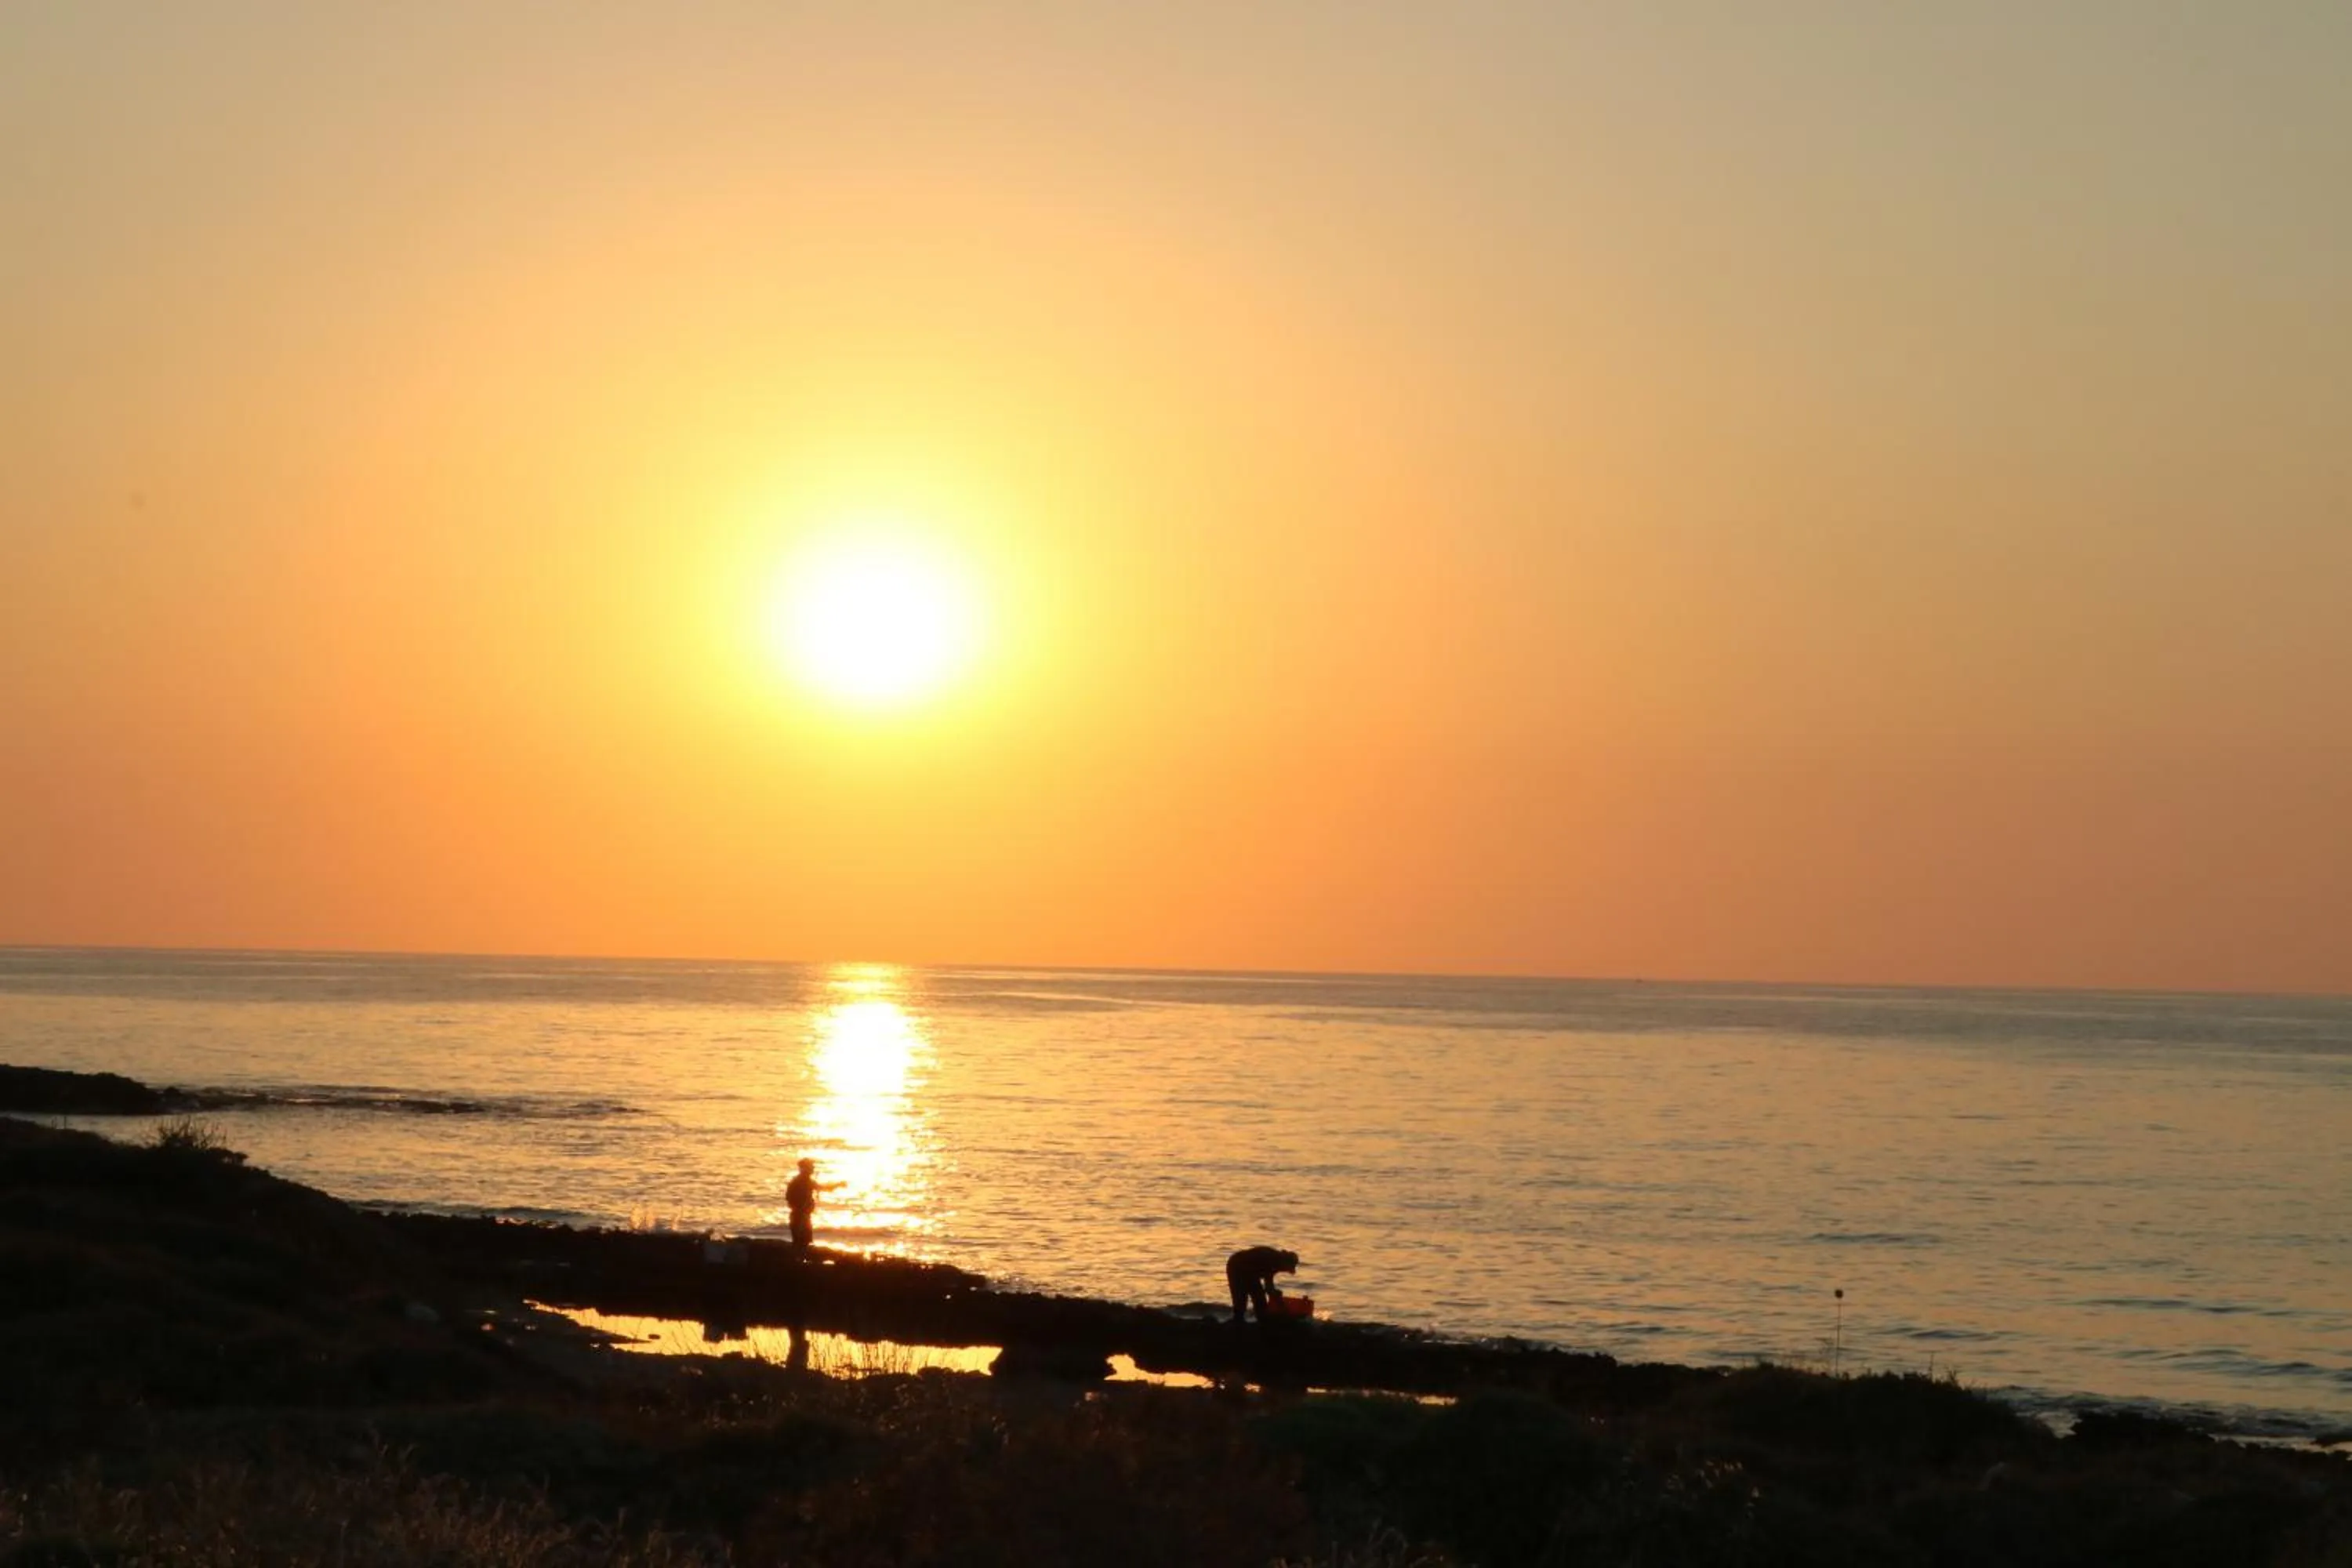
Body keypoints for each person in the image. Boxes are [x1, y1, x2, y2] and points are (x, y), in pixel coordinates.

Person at [1225, 1245, 1300, 1323]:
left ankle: (1261, 1322)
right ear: (1285, 1262)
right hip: (1236, 1266)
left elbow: (1269, 1287)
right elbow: (1269, 1288)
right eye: (1287, 1269)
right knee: (1241, 1300)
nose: (1285, 1271)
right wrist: (1278, 1299)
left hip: (1251, 1273)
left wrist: (1275, 1295)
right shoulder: (1272, 1260)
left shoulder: (1277, 1262)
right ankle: (1238, 1324)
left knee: (1260, 1300)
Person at [785, 1157, 840, 1250]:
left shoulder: (806, 1181)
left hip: (803, 1216)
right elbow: (790, 1198)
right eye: (811, 1167)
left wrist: (837, 1185)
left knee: (803, 1243)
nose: (813, 1169)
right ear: (804, 1168)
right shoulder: (799, 1182)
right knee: (801, 1244)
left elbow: (821, 1187)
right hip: (800, 1217)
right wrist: (801, 1209)